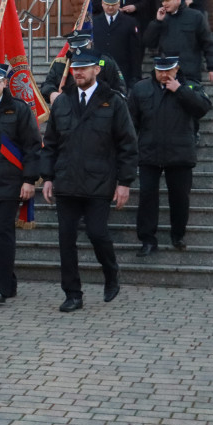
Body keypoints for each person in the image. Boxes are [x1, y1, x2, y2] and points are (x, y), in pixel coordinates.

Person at [40, 51, 138, 312]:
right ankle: (72, 293)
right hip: (67, 181)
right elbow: (50, 144)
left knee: (97, 233)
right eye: (76, 68)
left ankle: (111, 273)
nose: (79, 72)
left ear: (96, 69)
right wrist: (47, 177)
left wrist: (124, 182)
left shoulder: (113, 101)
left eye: (85, 68)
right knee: (66, 239)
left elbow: (127, 144)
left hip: (99, 181)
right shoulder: (61, 103)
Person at [128, 55, 212, 257]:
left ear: (177, 69)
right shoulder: (141, 89)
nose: (164, 75)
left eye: (168, 71)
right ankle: (147, 239)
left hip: (180, 152)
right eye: (160, 71)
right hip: (149, 151)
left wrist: (180, 90)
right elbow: (131, 122)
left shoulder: (190, 86)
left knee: (180, 197)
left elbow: (203, 108)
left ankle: (178, 235)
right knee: (147, 196)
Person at [0, 63, 40, 304]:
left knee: (3, 232)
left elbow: (32, 146)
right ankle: (9, 280)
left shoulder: (19, 109)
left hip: (9, 182)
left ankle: (1, 285)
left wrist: (29, 180)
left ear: (5, 83)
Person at [143, 0, 213, 84]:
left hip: (190, 73)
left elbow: (208, 43)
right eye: (162, 1)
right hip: (167, 73)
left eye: (168, 0)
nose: (164, 4)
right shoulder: (162, 18)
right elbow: (149, 42)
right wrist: (157, 22)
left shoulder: (195, 16)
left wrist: (212, 67)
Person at [39, 32, 126, 105]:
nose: (78, 52)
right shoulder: (60, 63)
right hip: (68, 110)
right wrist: (51, 93)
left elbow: (119, 89)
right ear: (69, 47)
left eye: (82, 48)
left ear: (89, 44)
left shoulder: (104, 62)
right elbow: (47, 85)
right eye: (74, 49)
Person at [91, 0, 142, 87]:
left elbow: (135, 51)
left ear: (119, 4)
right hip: (100, 70)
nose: (110, 7)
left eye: (113, 4)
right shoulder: (94, 22)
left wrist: (136, 76)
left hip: (122, 70)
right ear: (102, 4)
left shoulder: (129, 22)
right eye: (107, 4)